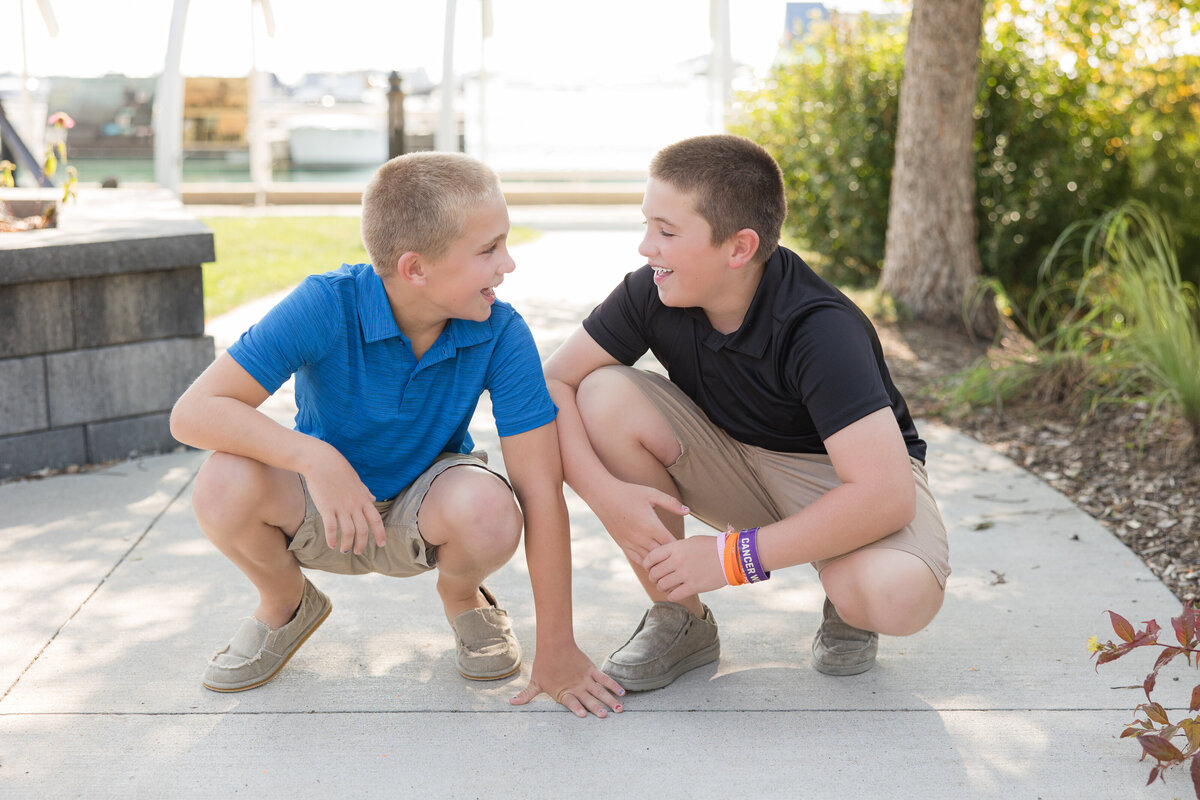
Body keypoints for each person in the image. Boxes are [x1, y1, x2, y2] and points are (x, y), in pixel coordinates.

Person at [170, 152, 624, 718]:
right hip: (322, 510)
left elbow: (540, 492)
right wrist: (316, 459)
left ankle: (462, 597)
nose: (507, 264)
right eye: (489, 250)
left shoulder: (500, 332)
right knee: (221, 482)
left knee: (490, 508)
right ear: (415, 269)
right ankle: (285, 602)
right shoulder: (326, 304)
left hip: (423, 513)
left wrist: (556, 649)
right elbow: (192, 413)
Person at [542, 134, 950, 692]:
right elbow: (554, 380)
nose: (645, 247)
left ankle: (846, 597)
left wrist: (734, 558)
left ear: (738, 249)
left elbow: (885, 495)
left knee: (895, 597)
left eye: (665, 232)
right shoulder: (652, 292)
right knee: (601, 394)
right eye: (646, 225)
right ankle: (681, 616)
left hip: (835, 480)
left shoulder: (820, 328)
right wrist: (603, 492)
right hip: (730, 461)